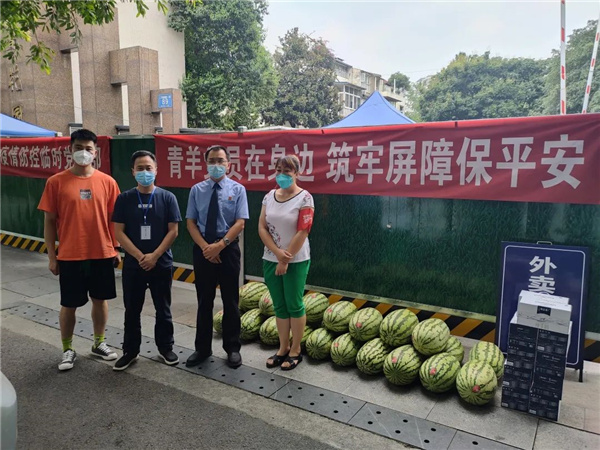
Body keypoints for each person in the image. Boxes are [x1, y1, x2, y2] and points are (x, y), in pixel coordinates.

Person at [38, 129, 121, 371]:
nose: (83, 152)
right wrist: (52, 257)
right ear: (70, 149)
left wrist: (115, 247)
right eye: (78, 147)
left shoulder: (108, 182)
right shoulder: (55, 182)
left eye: (88, 148)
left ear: (95, 152)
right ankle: (67, 349)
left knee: (100, 300)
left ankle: (99, 342)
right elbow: (49, 222)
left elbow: (114, 220)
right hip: (70, 255)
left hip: (101, 252)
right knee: (69, 304)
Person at [111, 150, 182, 371]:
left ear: (156, 170)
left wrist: (154, 256)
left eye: (148, 168)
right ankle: (130, 351)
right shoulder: (124, 199)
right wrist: (140, 256)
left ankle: (166, 348)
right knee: (132, 310)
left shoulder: (168, 198)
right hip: (134, 265)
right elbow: (119, 232)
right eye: (140, 168)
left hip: (161, 263)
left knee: (163, 308)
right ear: (133, 172)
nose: (144, 172)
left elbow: (173, 231)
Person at [185, 145, 249, 368]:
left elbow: (240, 222)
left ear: (228, 164)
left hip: (228, 249)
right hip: (203, 249)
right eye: (212, 161)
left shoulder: (238, 189)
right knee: (204, 301)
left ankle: (232, 348)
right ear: (206, 164)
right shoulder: (197, 190)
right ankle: (202, 349)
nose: (216, 165)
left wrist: (219, 246)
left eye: (220, 161)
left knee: (231, 301)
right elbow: (191, 223)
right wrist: (206, 248)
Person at [259, 155, 314, 370]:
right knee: (279, 306)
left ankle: (295, 350)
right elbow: (262, 227)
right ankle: (283, 348)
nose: (282, 175)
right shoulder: (269, 196)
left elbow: (303, 231)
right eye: (279, 170)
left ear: (297, 173)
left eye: (287, 171)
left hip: (296, 260)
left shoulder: (305, 198)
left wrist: (285, 258)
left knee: (294, 304)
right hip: (270, 258)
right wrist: (276, 254)